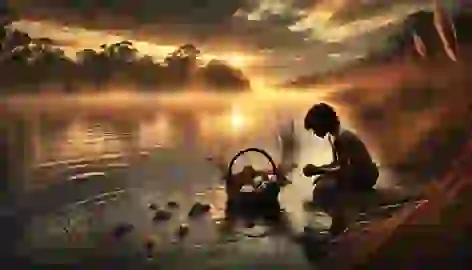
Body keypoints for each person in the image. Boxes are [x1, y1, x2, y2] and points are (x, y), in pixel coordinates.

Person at [302, 103, 379, 236]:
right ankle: (339, 220)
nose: (314, 133)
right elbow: (337, 164)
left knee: (321, 190)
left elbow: (344, 169)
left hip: (364, 176)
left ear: (323, 123)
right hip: (362, 173)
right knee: (323, 182)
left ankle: (340, 222)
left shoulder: (342, 138)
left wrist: (319, 171)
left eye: (315, 128)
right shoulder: (337, 136)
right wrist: (321, 170)